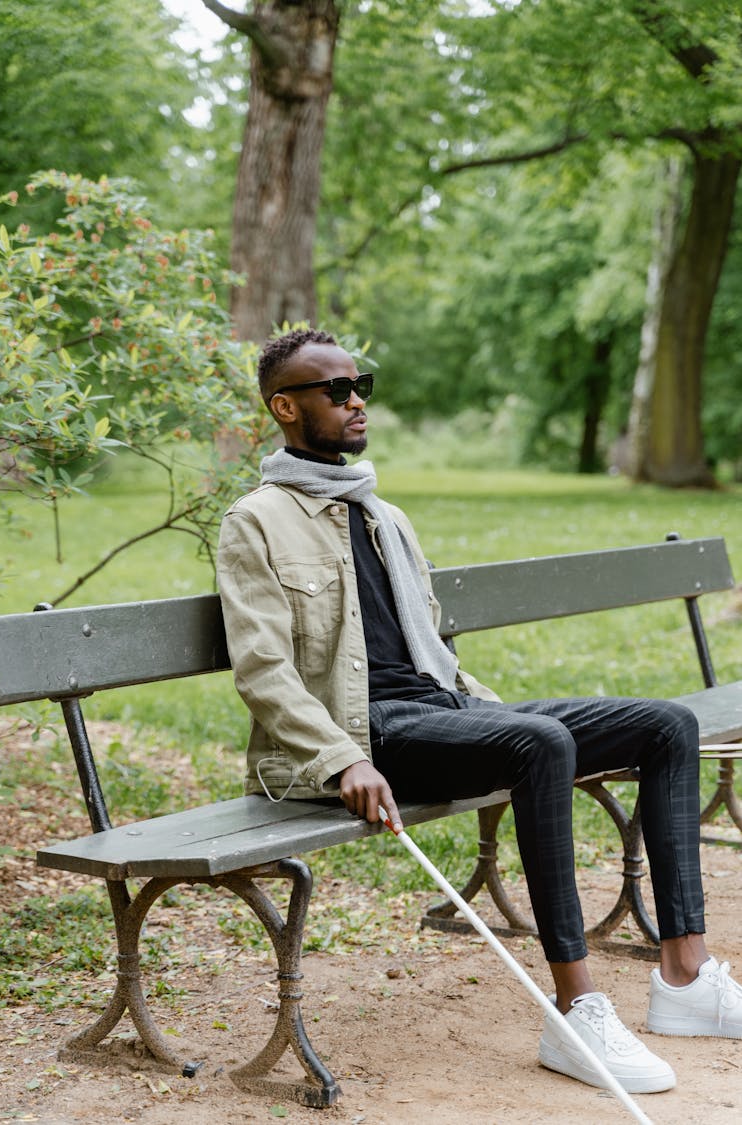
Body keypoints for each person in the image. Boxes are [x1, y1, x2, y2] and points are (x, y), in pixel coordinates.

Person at [216, 327, 742, 1095]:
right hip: (366, 731)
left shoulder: (383, 515)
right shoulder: (255, 521)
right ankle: (576, 1009)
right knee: (540, 743)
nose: (356, 398)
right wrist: (341, 758)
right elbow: (263, 670)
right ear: (286, 407)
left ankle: (687, 978)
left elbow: (432, 652)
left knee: (668, 725)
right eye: (335, 390)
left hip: (438, 709)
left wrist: (482, 715)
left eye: (361, 383)